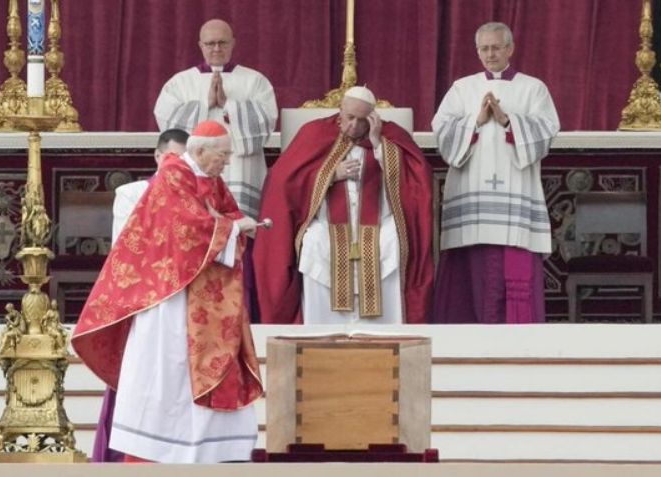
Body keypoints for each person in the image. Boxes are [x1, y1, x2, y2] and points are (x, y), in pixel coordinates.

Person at [72, 120, 263, 463]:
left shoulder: (211, 179)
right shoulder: (174, 175)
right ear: (201, 151)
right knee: (168, 368)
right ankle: (161, 449)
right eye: (224, 154)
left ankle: (209, 447)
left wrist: (233, 223)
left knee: (196, 369)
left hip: (204, 293)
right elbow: (186, 230)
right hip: (169, 295)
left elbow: (225, 213)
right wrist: (232, 228)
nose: (228, 161)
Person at [254, 86, 434, 325]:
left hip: (378, 226)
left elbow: (415, 183)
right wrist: (329, 174)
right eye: (350, 118)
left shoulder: (389, 136)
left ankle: (386, 331)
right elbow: (285, 182)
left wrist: (378, 145)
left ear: (372, 117)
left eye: (362, 120)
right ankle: (321, 330)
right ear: (340, 111)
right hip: (327, 224)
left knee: (392, 240)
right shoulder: (314, 133)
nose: (354, 126)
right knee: (315, 241)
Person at [431, 22, 560, 324]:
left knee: (512, 263)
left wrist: (506, 120)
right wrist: (475, 122)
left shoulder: (533, 88)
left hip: (516, 195)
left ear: (509, 49)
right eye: (484, 48)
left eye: (496, 47)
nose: (490, 54)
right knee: (471, 269)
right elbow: (442, 131)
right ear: (477, 52)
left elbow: (546, 132)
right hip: (471, 194)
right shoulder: (462, 88)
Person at [90, 128, 189, 463]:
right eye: (172, 159)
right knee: (139, 377)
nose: (177, 169)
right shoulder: (132, 193)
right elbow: (126, 247)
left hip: (183, 303)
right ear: (159, 157)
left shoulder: (196, 197)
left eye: (184, 162)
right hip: (143, 300)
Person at [153, 19, 277, 220]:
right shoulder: (180, 82)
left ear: (233, 43)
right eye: (210, 43)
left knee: (240, 228)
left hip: (240, 168)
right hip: (197, 171)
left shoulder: (255, 81)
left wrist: (228, 104)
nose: (217, 48)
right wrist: (205, 104)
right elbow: (169, 126)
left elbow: (266, 122)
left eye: (223, 42)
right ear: (201, 45)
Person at [111, 129, 189, 243]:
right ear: (157, 155)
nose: (178, 165)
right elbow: (124, 243)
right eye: (173, 158)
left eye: (185, 161)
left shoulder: (193, 196)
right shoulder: (129, 194)